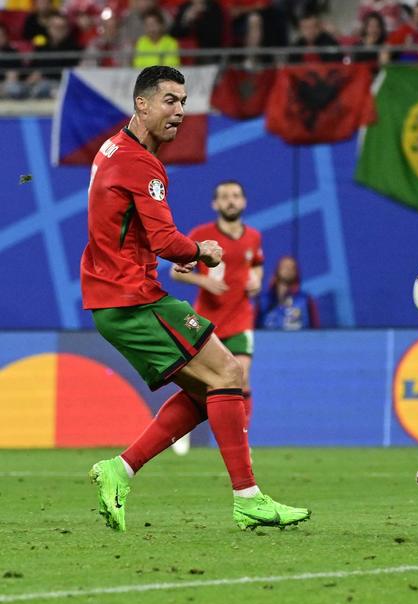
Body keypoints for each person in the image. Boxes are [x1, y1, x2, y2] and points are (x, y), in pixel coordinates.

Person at [82, 66, 309, 532]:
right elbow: (166, 240)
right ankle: (248, 499)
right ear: (141, 104)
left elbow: (128, 227)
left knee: (210, 390)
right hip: (131, 298)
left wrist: (159, 251)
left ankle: (120, 470)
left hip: (118, 295)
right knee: (228, 373)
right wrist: (201, 251)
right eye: (169, 100)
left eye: (183, 101)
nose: (179, 111)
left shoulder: (112, 148)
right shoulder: (140, 162)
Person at [171, 180, 264, 455]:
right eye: (225, 197)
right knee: (201, 385)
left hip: (240, 319)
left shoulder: (253, 237)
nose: (231, 201)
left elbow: (256, 264)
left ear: (244, 202)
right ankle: (181, 430)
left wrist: (257, 280)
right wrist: (203, 281)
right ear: (215, 204)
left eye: (236, 195)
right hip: (207, 320)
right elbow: (176, 272)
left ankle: (240, 441)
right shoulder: (202, 234)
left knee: (242, 377)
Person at [256, 256, 320, 330]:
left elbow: (316, 329)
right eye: (285, 266)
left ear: (296, 272)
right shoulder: (262, 301)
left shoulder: (306, 300)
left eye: (291, 267)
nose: (288, 269)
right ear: (277, 270)